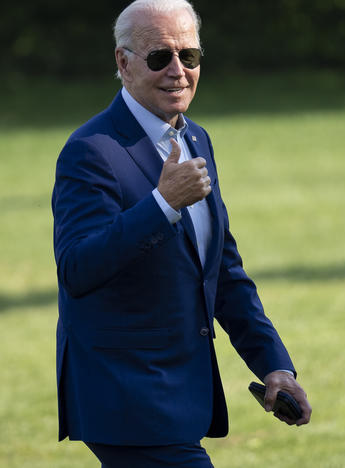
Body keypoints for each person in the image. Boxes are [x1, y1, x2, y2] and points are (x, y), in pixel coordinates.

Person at [51, 1, 311, 466]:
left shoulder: (195, 139)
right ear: (122, 62)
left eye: (188, 57)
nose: (178, 71)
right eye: (159, 57)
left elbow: (222, 274)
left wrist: (274, 365)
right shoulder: (90, 151)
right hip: (125, 399)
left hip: (180, 398)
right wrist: (162, 204)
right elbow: (77, 268)